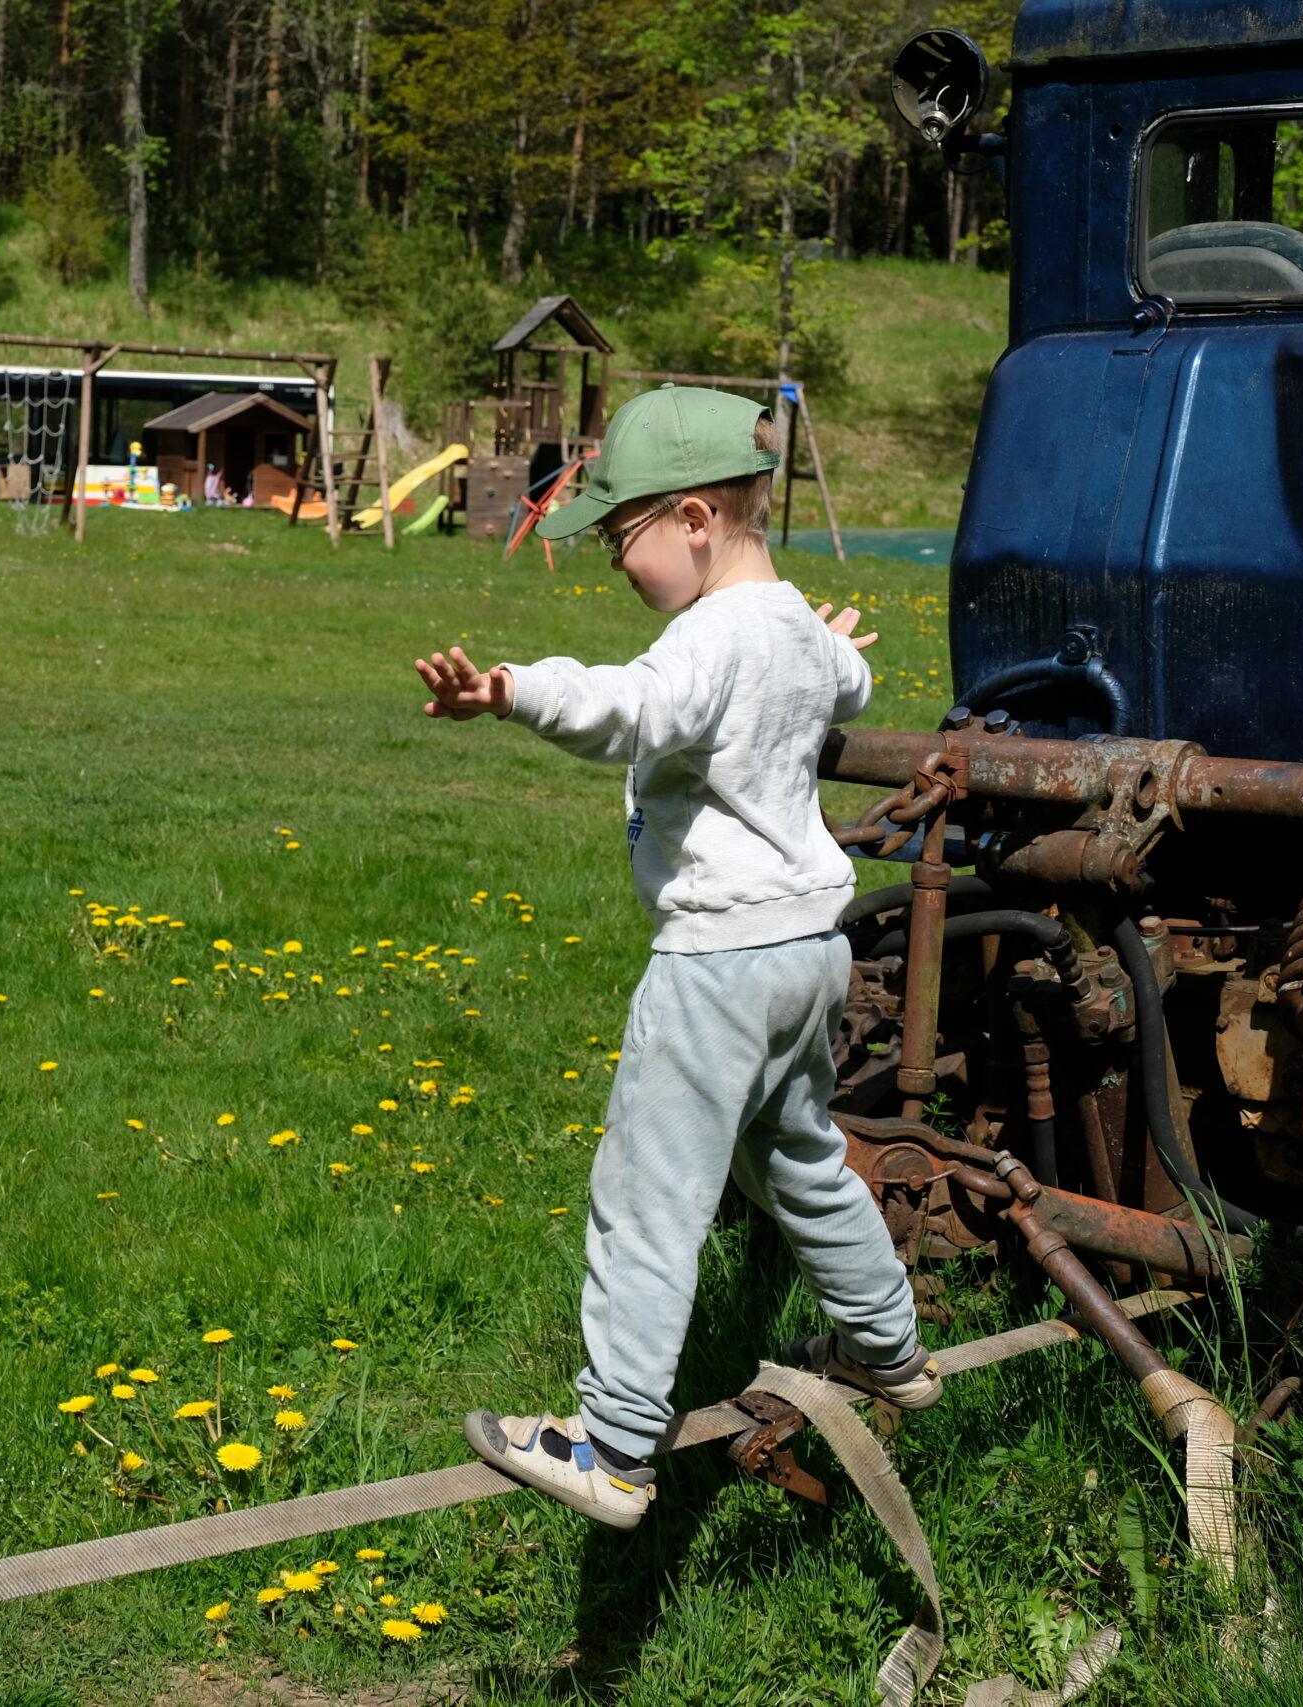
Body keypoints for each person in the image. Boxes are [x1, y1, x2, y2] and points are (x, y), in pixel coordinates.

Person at [412, 386, 937, 1531]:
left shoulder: (707, 638)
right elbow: (846, 683)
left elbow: (631, 708)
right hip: (808, 952)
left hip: (717, 964)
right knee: (799, 1157)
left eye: (620, 535)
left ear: (695, 517)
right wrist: (835, 651)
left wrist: (512, 690)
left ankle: (610, 1447)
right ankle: (888, 1348)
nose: (613, 561)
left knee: (649, 1197)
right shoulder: (791, 625)